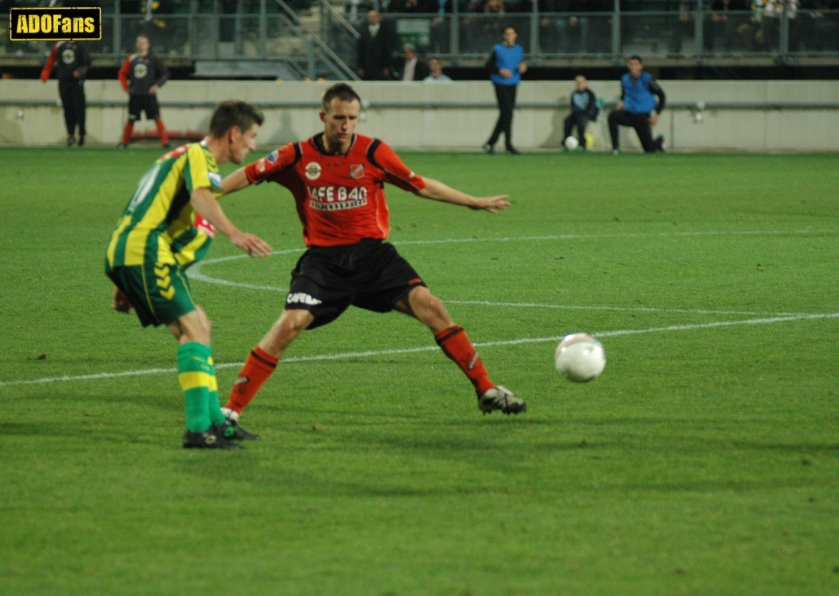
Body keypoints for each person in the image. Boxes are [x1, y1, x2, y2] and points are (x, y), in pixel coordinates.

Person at [218, 83, 527, 428]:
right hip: (324, 261)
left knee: (433, 307)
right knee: (288, 325)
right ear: (323, 117)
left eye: (352, 118)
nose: (346, 125)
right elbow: (248, 174)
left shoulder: (373, 153)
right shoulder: (297, 155)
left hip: (372, 257)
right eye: (338, 118)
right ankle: (230, 410)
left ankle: (486, 389)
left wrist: (474, 201)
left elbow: (420, 184)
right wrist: (206, 196)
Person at [104, 101, 273, 450]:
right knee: (194, 328)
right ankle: (198, 430)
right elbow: (201, 198)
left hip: (139, 250)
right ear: (234, 133)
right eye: (253, 137)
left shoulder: (175, 158)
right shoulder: (199, 156)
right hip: (146, 250)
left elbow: (145, 206)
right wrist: (235, 234)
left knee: (199, 325)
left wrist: (123, 277)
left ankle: (216, 423)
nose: (254, 145)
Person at [117, 35, 171, 149]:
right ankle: (125, 142)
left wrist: (157, 85)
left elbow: (165, 73)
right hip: (135, 94)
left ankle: (165, 142)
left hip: (149, 94)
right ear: (136, 44)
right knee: (131, 118)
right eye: (139, 43)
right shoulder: (132, 59)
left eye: (144, 43)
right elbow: (122, 74)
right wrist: (126, 88)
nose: (142, 45)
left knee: (156, 117)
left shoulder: (153, 59)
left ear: (148, 45)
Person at [608, 55, 666, 154]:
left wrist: (657, 114)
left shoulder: (647, 79)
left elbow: (662, 96)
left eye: (636, 65)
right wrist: (621, 102)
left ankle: (659, 142)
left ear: (640, 66)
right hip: (629, 113)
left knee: (649, 149)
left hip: (642, 116)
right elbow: (625, 92)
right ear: (628, 66)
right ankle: (615, 147)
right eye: (631, 64)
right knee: (612, 116)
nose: (633, 67)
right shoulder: (625, 79)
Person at [483, 26, 527, 155]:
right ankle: (508, 145)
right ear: (504, 36)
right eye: (507, 34)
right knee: (507, 113)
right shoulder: (497, 49)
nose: (509, 36)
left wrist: (523, 66)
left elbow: (519, 63)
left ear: (515, 35)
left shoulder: (519, 49)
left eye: (512, 33)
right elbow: (488, 66)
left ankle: (491, 143)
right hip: (501, 83)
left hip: (513, 83)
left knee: (506, 114)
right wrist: (499, 71)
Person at [40, 41, 90, 147]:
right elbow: (51, 59)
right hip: (64, 81)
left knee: (79, 108)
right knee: (68, 109)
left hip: (77, 82)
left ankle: (82, 135)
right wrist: (46, 72)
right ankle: (71, 135)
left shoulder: (81, 46)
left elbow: (87, 63)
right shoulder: (59, 46)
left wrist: (80, 72)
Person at [356, 10, 398, 80]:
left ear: (379, 18)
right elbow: (360, 50)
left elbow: (388, 49)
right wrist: (360, 67)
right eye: (370, 17)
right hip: (367, 66)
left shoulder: (385, 31)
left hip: (381, 66)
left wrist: (387, 66)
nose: (373, 19)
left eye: (375, 17)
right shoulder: (363, 31)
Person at [563, 75, 599, 150]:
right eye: (578, 83)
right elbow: (573, 106)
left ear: (585, 83)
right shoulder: (574, 94)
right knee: (567, 121)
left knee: (581, 123)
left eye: (581, 83)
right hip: (577, 114)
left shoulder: (589, 94)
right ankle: (566, 141)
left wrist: (588, 114)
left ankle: (582, 143)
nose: (579, 84)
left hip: (586, 114)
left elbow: (593, 107)